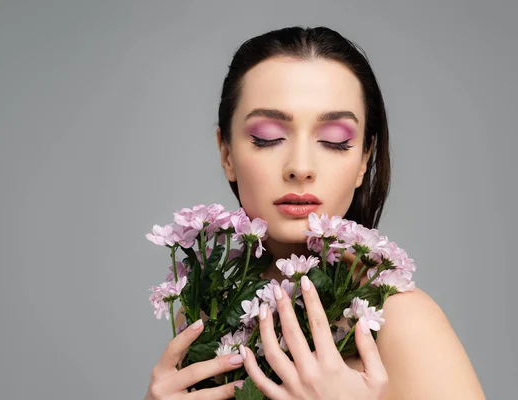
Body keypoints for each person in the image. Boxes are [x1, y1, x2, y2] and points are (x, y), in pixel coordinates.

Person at [145, 26, 485, 399]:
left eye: (334, 141)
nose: (300, 167)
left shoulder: (401, 322)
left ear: (363, 160)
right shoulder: (203, 310)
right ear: (226, 153)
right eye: (268, 137)